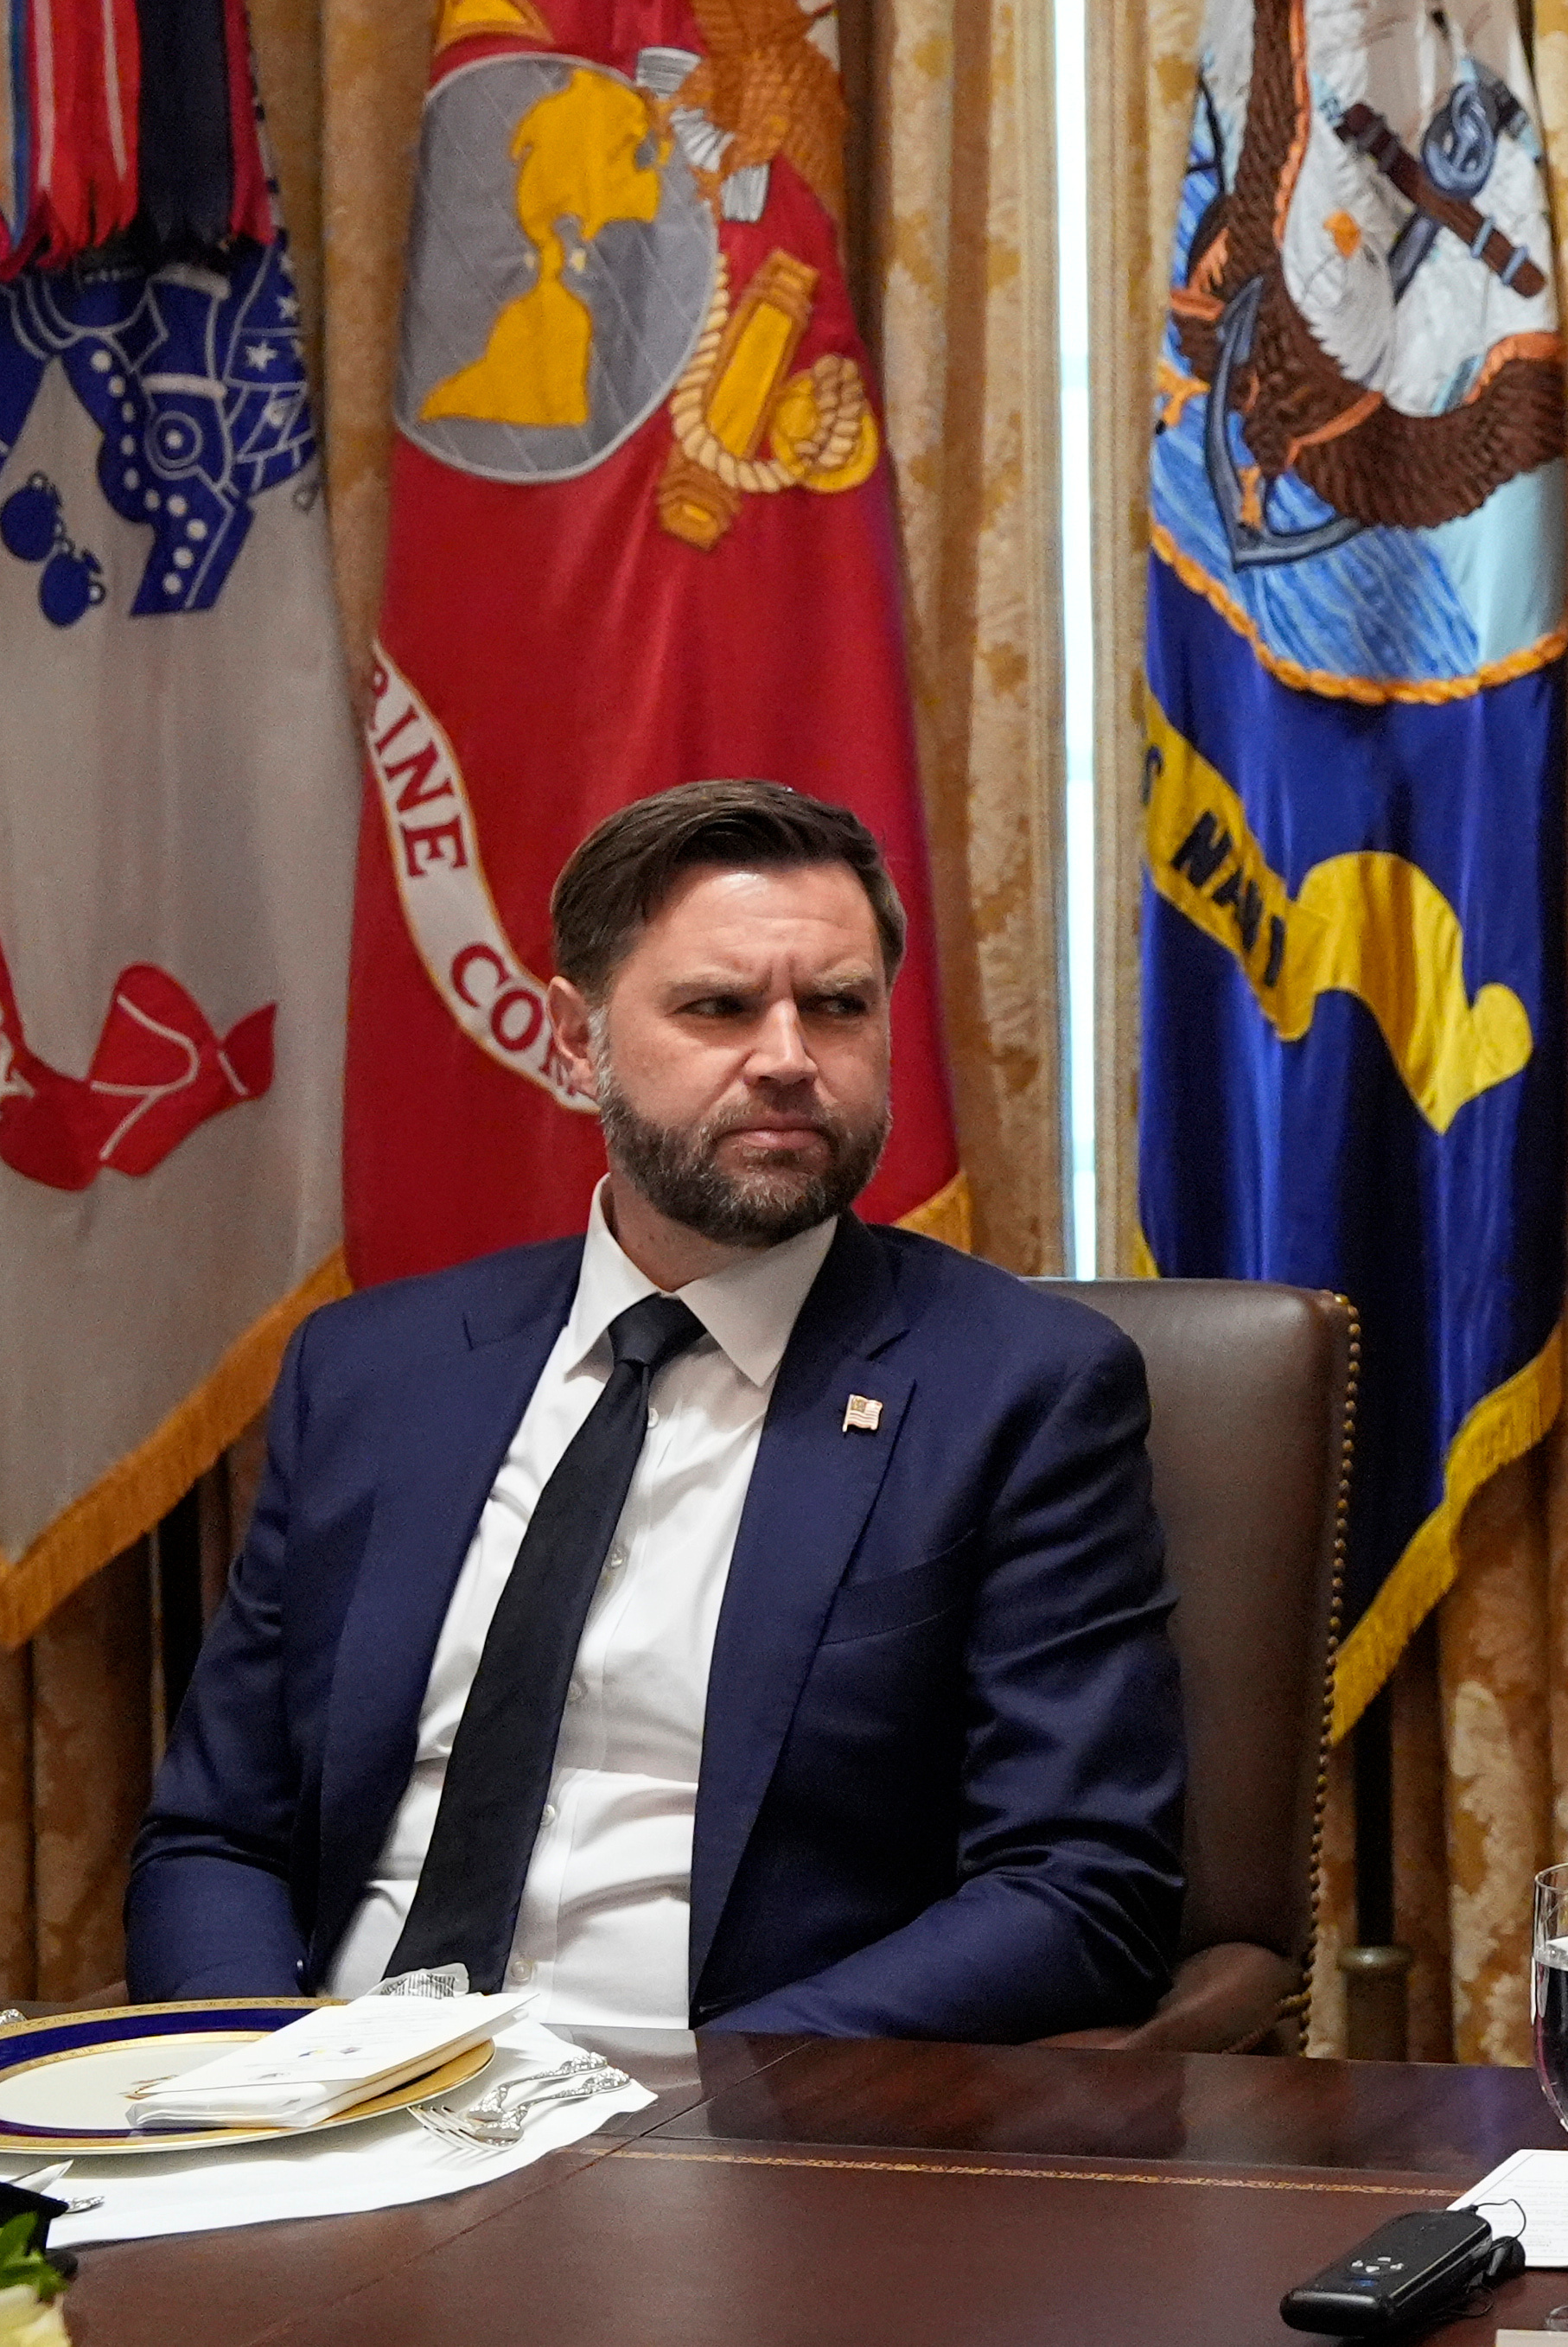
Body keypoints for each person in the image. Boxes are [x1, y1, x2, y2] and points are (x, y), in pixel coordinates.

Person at [132, 780, 1183, 2041]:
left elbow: (1079, 1889)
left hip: (725, 2136)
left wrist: (704, 2103)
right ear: (579, 1046)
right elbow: (217, 1832)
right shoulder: (371, 1372)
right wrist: (253, 2081)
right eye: (719, 1007)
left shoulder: (1018, 1388)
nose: (790, 1057)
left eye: (839, 1006)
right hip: (327, 2110)